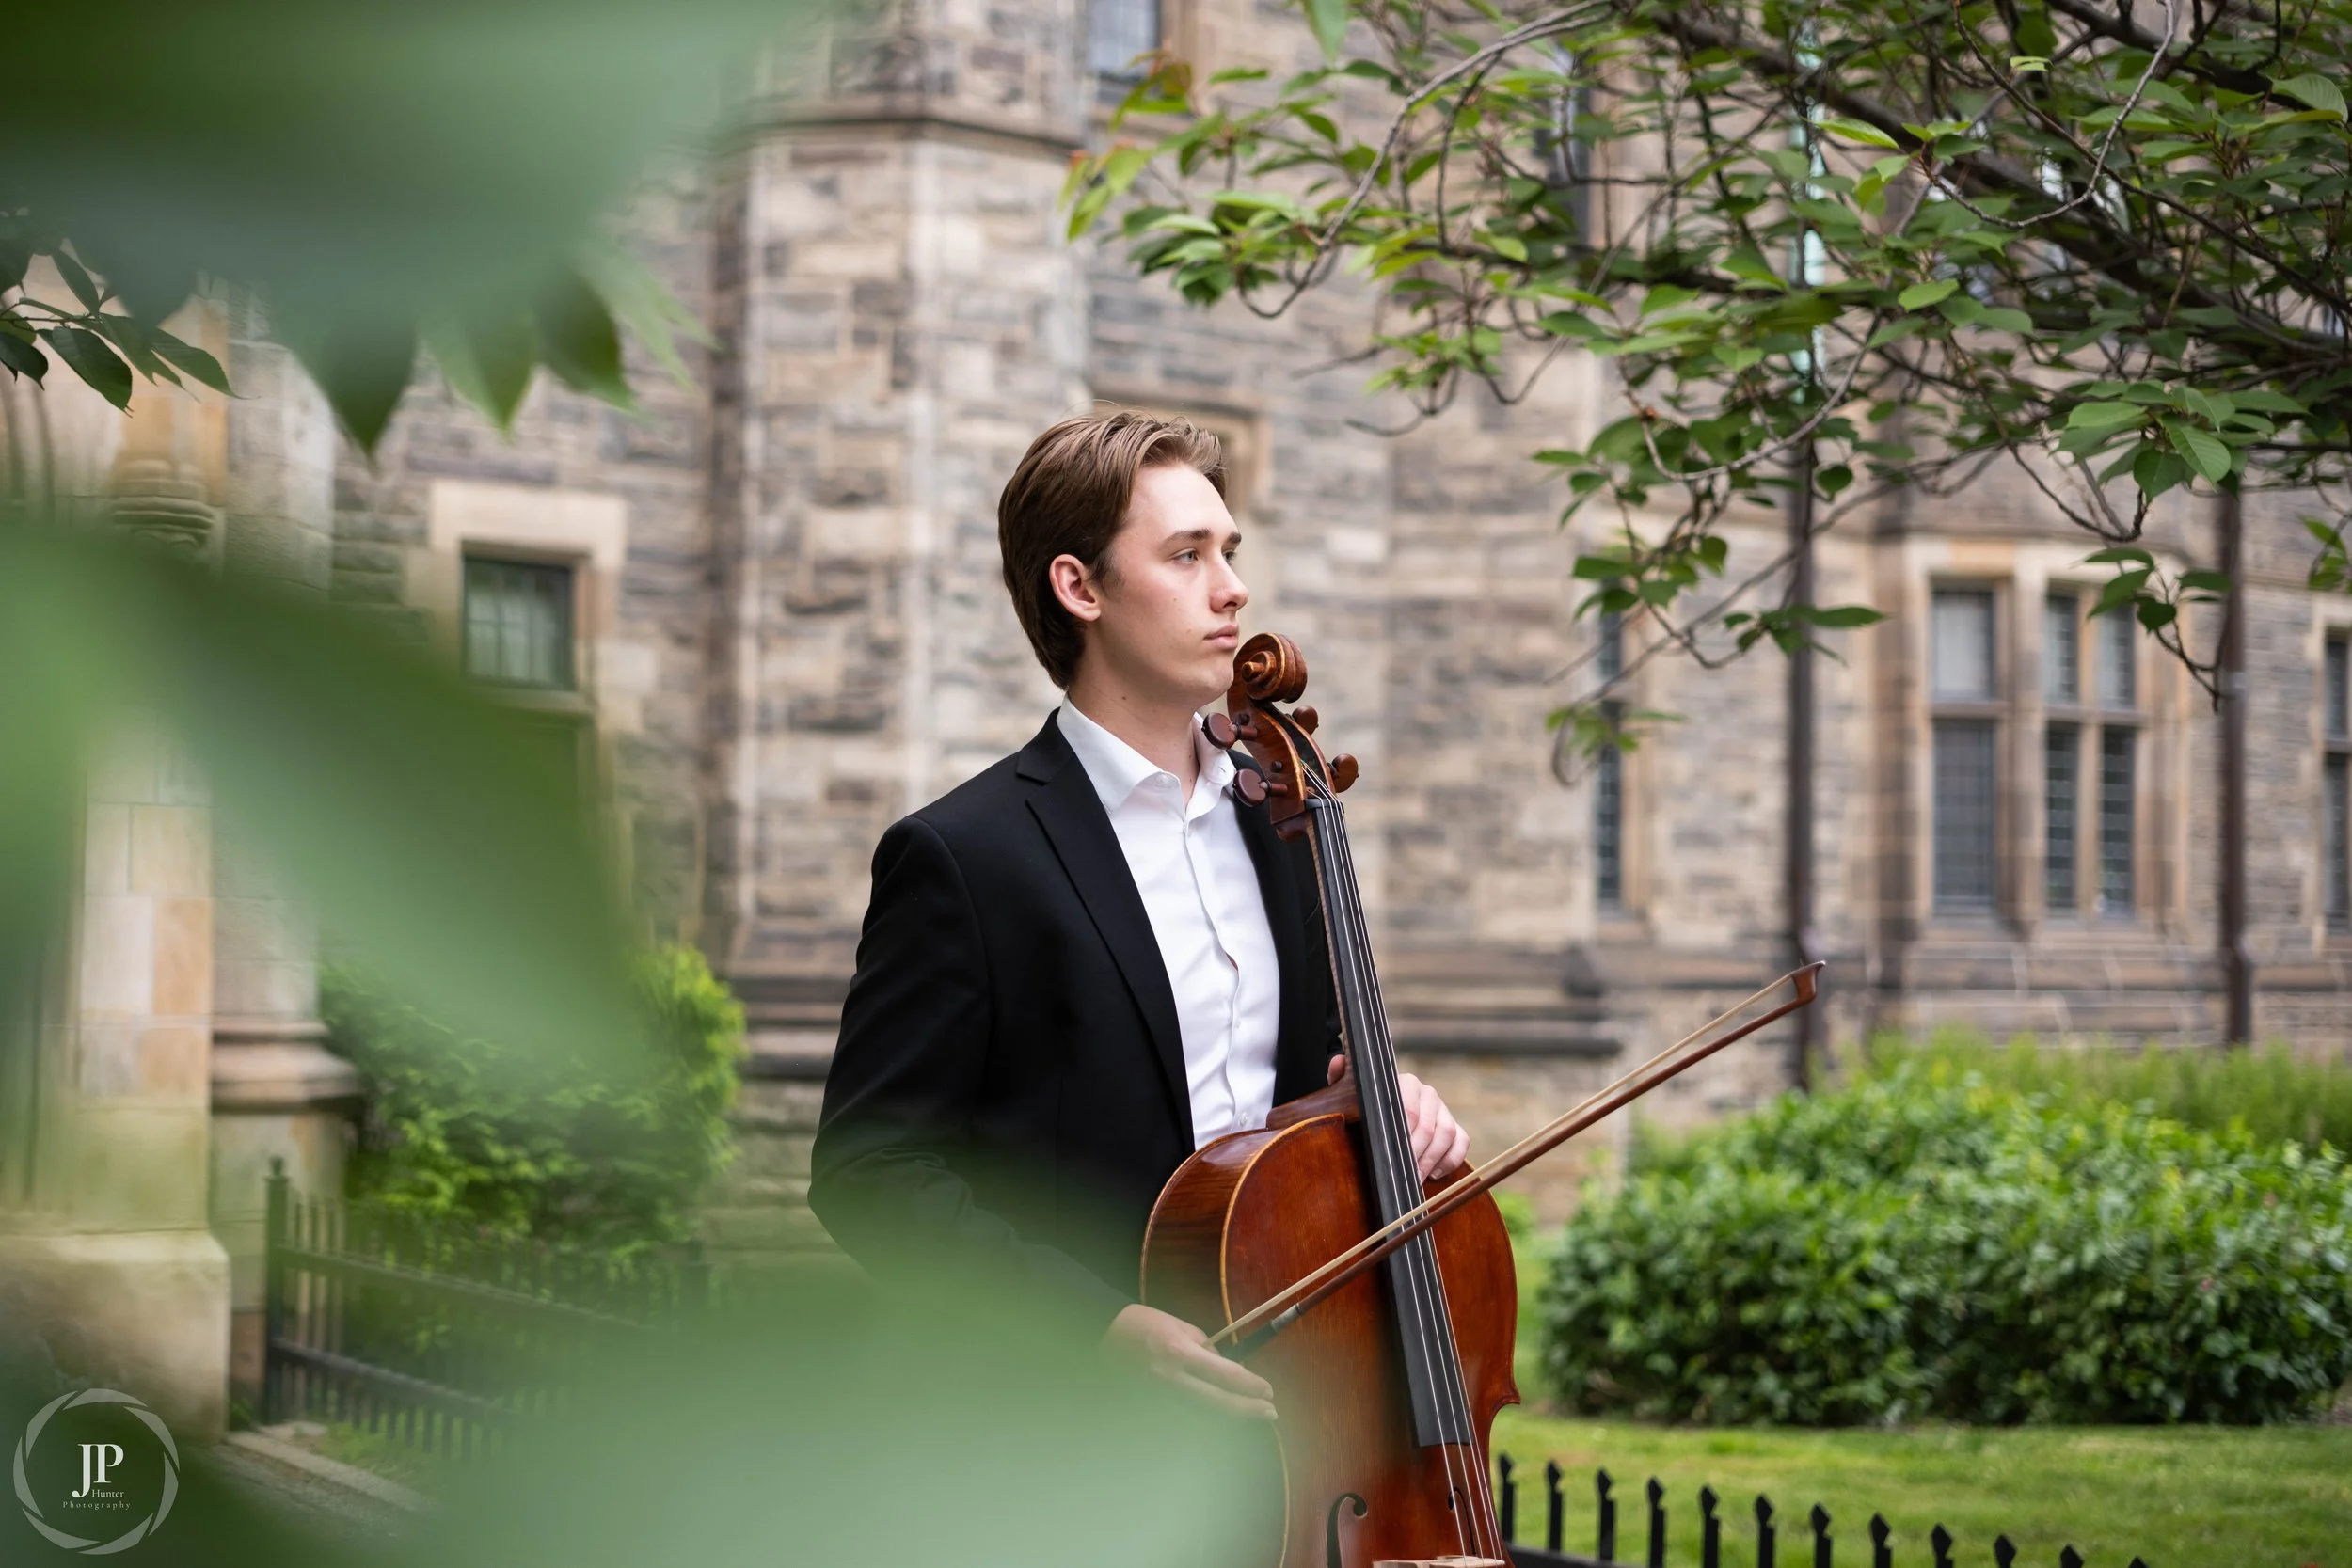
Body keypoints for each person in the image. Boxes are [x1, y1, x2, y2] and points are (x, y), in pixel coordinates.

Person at [808, 410, 1470, 1422]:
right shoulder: (964, 854)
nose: (1232, 587)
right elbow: (871, 1172)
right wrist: (1094, 1325)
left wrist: (1380, 1101)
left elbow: (1305, 1078)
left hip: (1290, 1404)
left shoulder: (1282, 818)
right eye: (1185, 553)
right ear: (1079, 587)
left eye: (1230, 551)